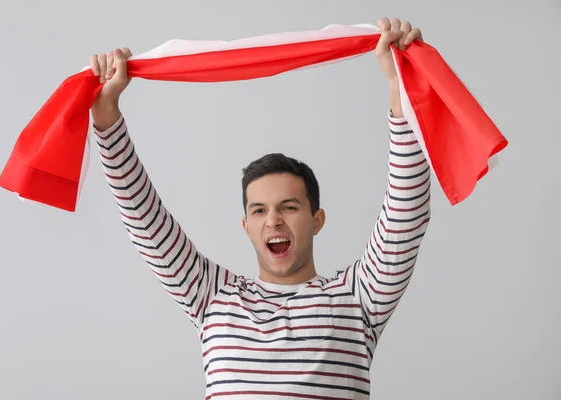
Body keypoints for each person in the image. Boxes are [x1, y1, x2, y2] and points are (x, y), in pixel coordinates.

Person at [89, 17, 430, 400]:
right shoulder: (212, 296)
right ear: (246, 226)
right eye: (259, 211)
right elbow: (146, 221)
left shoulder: (357, 298)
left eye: (289, 207)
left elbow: (406, 211)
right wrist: (106, 116)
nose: (273, 221)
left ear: (317, 220)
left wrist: (400, 91)